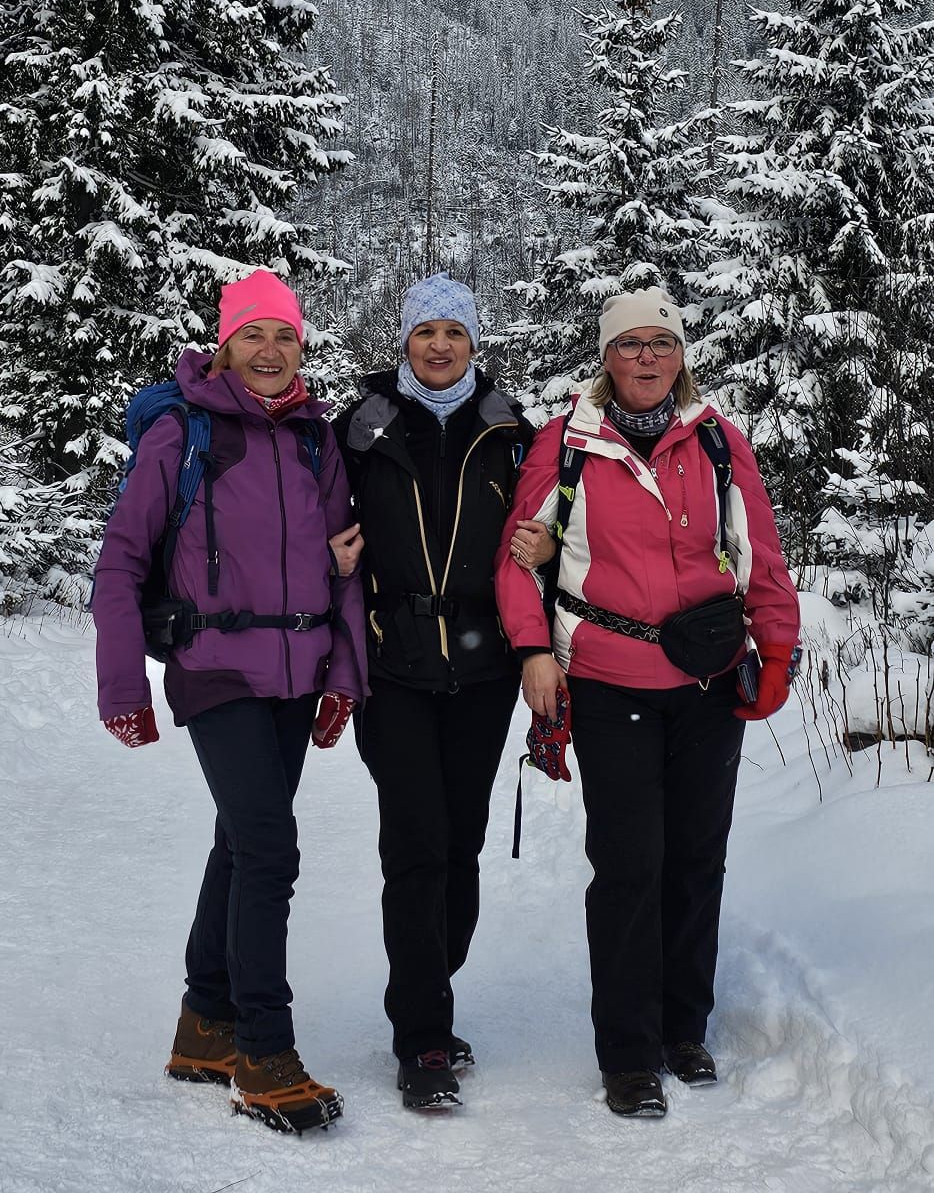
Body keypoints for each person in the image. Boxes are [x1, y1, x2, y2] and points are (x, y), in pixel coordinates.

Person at [495, 287, 800, 1120]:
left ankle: (681, 1028)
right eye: (629, 344)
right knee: (630, 865)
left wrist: (777, 646)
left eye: (661, 343)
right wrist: (533, 651)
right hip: (610, 679)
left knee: (698, 857)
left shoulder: (717, 440)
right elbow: (517, 559)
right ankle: (628, 1054)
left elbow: (760, 554)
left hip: (708, 681)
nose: (646, 357)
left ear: (680, 355)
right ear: (606, 356)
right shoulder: (568, 444)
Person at [92, 269, 368, 1137]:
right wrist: (122, 684)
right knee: (270, 850)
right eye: (254, 334)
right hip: (213, 665)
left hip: (297, 671)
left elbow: (345, 562)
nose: (271, 350)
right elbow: (119, 562)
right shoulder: (183, 432)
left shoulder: (315, 440)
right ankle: (264, 1051)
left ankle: (204, 1025)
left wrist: (343, 675)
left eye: (285, 335)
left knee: (240, 845)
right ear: (225, 345)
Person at [334, 274, 534, 1111]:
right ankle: (421, 1035)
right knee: (416, 844)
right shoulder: (362, 427)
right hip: (396, 665)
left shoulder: (509, 429)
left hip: (484, 669)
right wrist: (330, 561)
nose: (440, 345)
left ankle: (431, 986)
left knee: (461, 845)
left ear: (474, 343)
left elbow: (556, 527)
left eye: (455, 332)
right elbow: (311, 520)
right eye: (426, 332)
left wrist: (545, 548)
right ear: (405, 342)